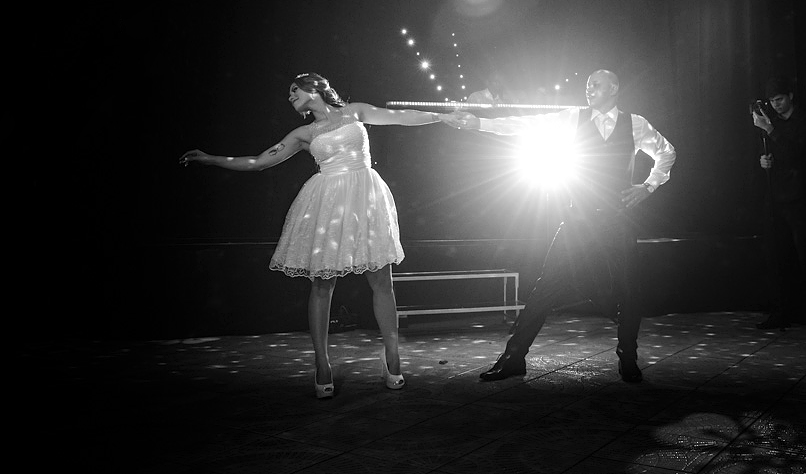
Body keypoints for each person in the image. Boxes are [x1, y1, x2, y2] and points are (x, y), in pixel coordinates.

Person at [179, 72, 450, 399]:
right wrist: (212, 159)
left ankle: (392, 356)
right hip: (328, 202)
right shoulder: (303, 133)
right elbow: (260, 161)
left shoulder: (355, 111)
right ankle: (322, 364)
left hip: (366, 195)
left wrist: (440, 116)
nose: (290, 97)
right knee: (322, 284)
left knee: (381, 280)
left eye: (294, 90)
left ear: (313, 88)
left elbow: (398, 117)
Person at [442, 69, 676, 382]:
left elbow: (667, 152)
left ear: (614, 88)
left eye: (595, 83)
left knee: (630, 290)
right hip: (577, 217)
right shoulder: (571, 118)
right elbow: (525, 125)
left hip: (617, 220)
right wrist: (480, 123)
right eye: (587, 84)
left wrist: (647, 187)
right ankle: (513, 358)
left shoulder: (635, 123)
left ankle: (628, 358)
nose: (589, 89)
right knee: (544, 289)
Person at [752, 75, 806, 336]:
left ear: (790, 96)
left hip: (801, 198)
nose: (776, 104)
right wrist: (764, 162)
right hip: (776, 197)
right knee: (777, 257)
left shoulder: (805, 121)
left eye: (780, 99)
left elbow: (796, 153)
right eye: (772, 100)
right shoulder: (771, 124)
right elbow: (773, 155)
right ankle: (782, 311)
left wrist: (770, 130)